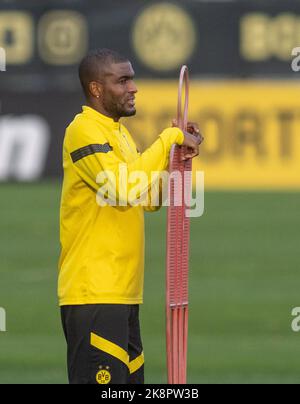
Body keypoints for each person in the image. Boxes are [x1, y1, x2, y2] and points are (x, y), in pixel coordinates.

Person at [58, 48, 203, 384]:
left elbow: (149, 198)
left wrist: (175, 160)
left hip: (123, 294)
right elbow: (123, 189)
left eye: (132, 79)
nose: (133, 87)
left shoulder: (120, 135)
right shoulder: (84, 130)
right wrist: (168, 138)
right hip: (93, 293)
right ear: (96, 89)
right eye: (122, 80)